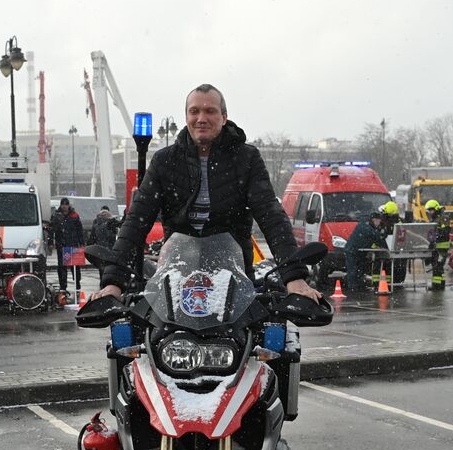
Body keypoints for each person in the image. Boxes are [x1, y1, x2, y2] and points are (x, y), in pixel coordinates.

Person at [90, 84, 322, 303]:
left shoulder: (247, 159)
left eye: (210, 111)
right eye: (195, 111)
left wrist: (294, 278)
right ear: (186, 118)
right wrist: (114, 282)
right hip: (175, 279)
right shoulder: (164, 161)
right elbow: (136, 223)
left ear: (224, 117)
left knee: (273, 338)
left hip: (234, 279)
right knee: (135, 337)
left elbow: (271, 216)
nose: (201, 118)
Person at [50, 198, 85, 297]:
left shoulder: (74, 215)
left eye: (66, 204)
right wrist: (50, 242)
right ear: (60, 205)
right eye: (63, 204)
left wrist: (81, 243)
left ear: (69, 205)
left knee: (75, 267)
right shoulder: (56, 216)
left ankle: (77, 284)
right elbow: (51, 229)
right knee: (61, 267)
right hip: (61, 245)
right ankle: (63, 286)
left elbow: (79, 230)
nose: (64, 206)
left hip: (73, 244)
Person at [344, 212, 385, 294]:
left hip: (359, 251)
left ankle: (357, 286)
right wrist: (385, 247)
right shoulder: (366, 227)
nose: (378, 223)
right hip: (353, 251)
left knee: (359, 269)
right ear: (374, 220)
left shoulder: (365, 224)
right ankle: (352, 288)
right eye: (378, 221)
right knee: (353, 270)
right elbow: (377, 238)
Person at [374, 200, 405, 288]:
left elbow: (381, 235)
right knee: (390, 267)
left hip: (387, 250)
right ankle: (390, 283)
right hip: (398, 250)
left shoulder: (387, 222)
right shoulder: (399, 222)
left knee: (382, 265)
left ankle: (379, 284)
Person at [426, 201, 452, 290]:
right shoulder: (435, 218)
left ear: (436, 209)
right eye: (429, 211)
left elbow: (446, 231)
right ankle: (441, 285)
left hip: (442, 248)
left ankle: (436, 286)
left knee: (437, 266)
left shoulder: (443, 218)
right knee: (438, 266)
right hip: (436, 247)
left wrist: (437, 234)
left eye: (431, 210)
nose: (430, 212)